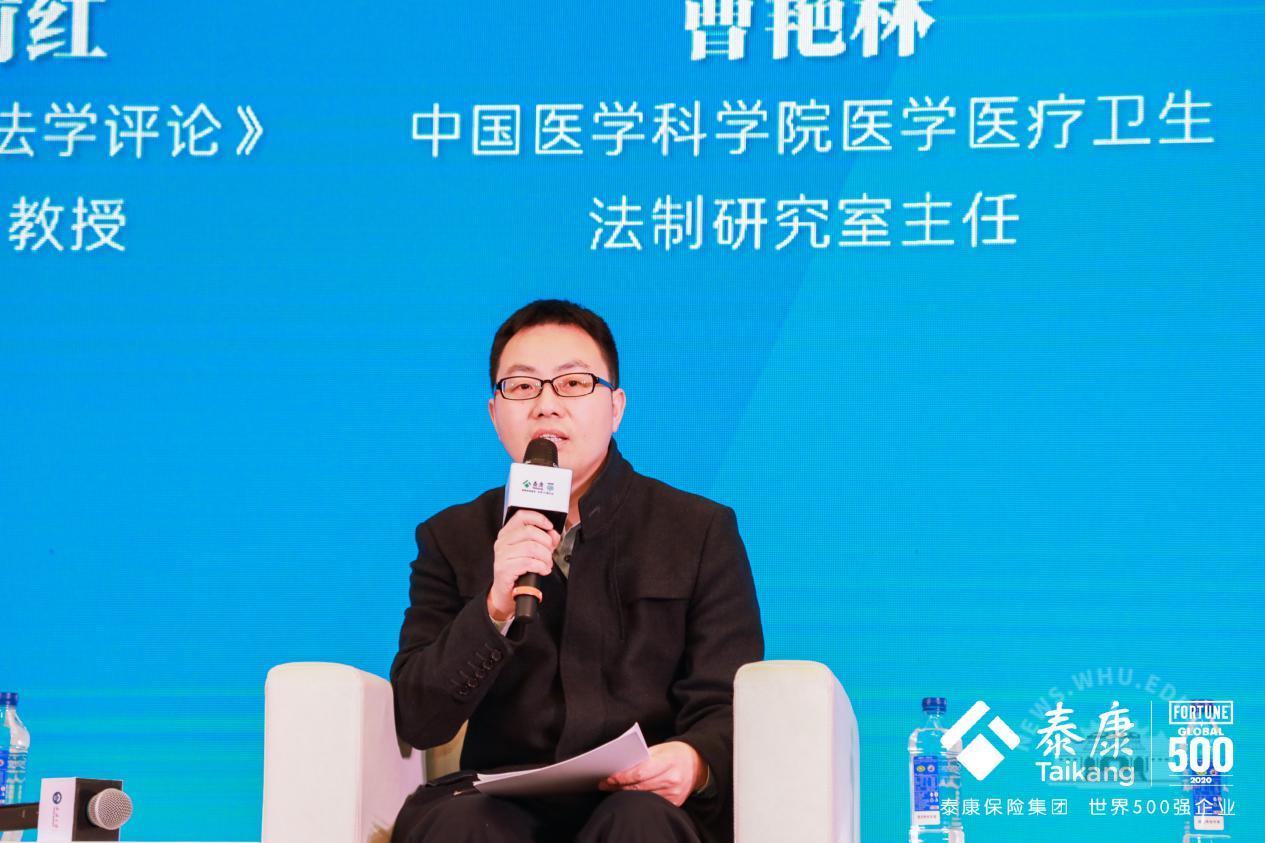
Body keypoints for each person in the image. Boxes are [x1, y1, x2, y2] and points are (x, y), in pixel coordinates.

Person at [389, 300, 763, 843]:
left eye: (572, 383)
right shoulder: (450, 537)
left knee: (639, 823)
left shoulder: (699, 530)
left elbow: (727, 701)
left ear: (615, 407)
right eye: (522, 387)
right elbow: (419, 718)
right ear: (494, 413)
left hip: (643, 801)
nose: (546, 405)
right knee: (461, 824)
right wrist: (493, 609)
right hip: (498, 805)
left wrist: (694, 759)